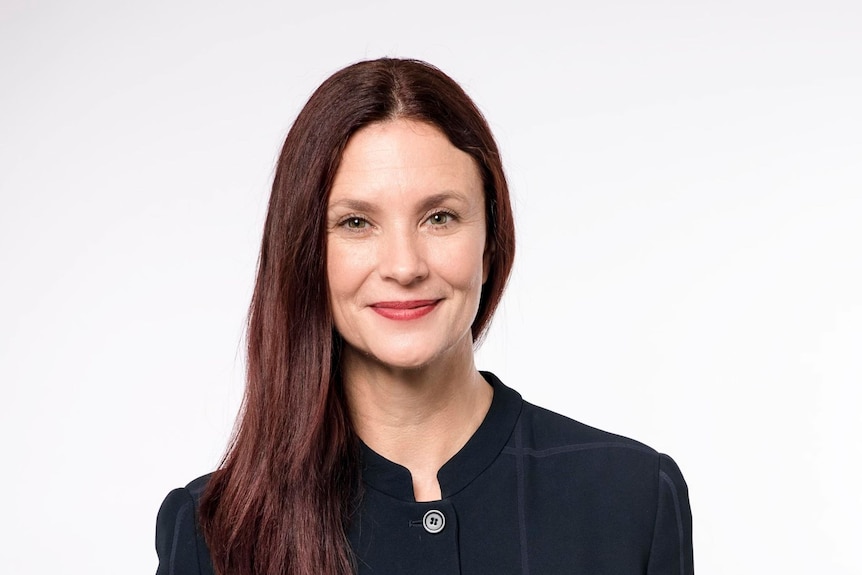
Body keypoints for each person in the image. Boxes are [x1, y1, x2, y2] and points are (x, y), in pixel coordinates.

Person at [155, 57, 694, 575]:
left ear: (490, 242)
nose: (404, 266)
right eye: (356, 223)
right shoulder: (213, 533)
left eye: (440, 217)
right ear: (305, 255)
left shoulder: (631, 496)